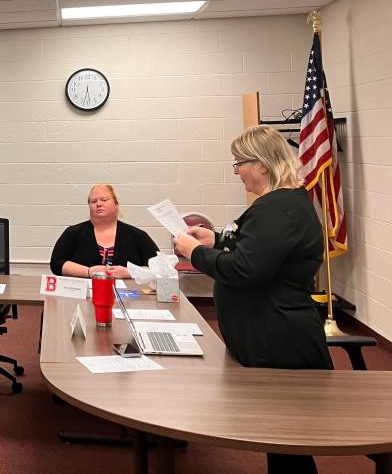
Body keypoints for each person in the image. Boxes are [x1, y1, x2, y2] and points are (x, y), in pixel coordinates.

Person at [173, 125, 331, 474]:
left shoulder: (277, 208)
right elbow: (257, 251)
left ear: (262, 164)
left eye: (239, 163)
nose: (237, 172)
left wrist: (195, 252)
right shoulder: (284, 203)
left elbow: (246, 269)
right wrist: (215, 240)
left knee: (285, 439)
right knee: (281, 439)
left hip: (277, 338)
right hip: (271, 332)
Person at [50, 184, 158, 278]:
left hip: (128, 298)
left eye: (104, 200)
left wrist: (129, 272)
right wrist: (89, 271)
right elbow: (56, 264)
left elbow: (160, 267)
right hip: (84, 296)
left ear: (116, 204)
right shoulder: (73, 233)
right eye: (93, 201)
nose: (98, 204)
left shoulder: (137, 236)